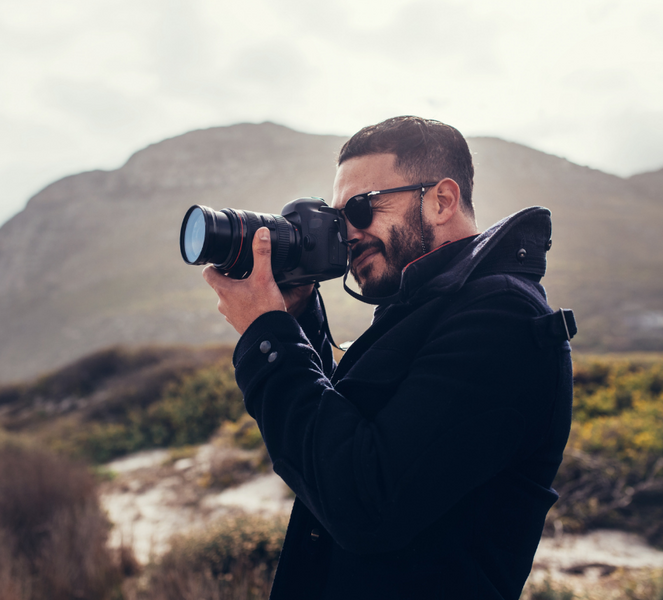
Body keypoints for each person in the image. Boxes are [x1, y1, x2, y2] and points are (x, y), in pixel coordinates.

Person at [202, 116, 575, 600]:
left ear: (442, 200)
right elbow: (351, 430)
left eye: (361, 209)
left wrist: (266, 334)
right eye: (339, 219)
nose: (348, 234)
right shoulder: (426, 304)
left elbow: (362, 500)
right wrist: (296, 320)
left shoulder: (503, 320)